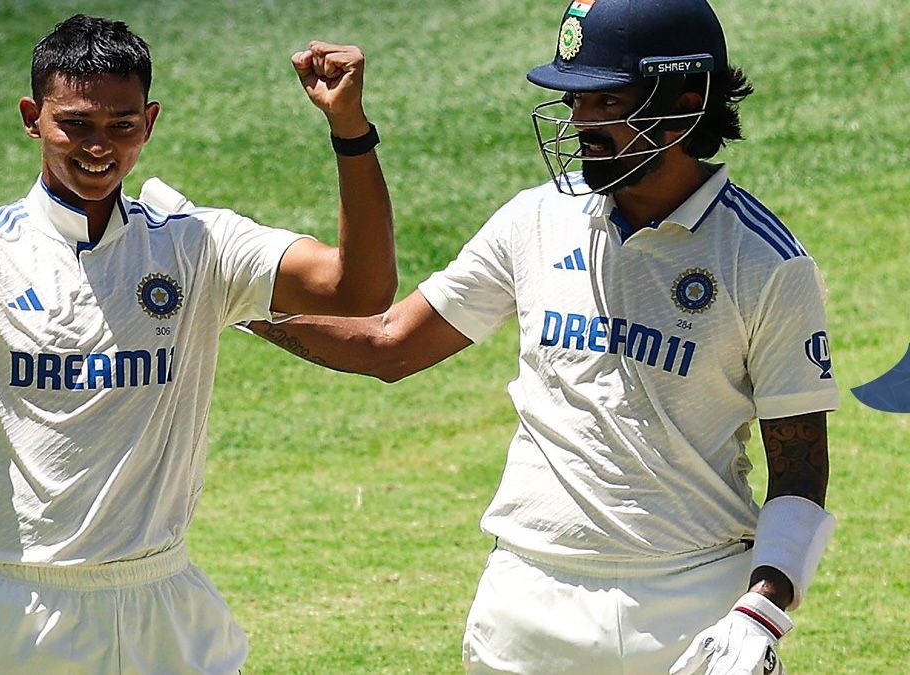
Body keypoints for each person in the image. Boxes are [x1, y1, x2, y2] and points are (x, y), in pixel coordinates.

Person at [0, 15, 395, 674]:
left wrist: (350, 129)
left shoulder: (197, 245)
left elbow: (360, 288)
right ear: (32, 117)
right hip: (12, 611)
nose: (99, 146)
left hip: (163, 602)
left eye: (121, 126)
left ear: (149, 122)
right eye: (76, 124)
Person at [245, 1, 837, 673]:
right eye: (573, 99)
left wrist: (761, 609)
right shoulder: (536, 218)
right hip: (528, 602)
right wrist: (231, 297)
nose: (580, 121)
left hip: (690, 604)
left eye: (605, 99)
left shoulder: (767, 263)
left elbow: (800, 471)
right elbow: (389, 343)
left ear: (686, 97)